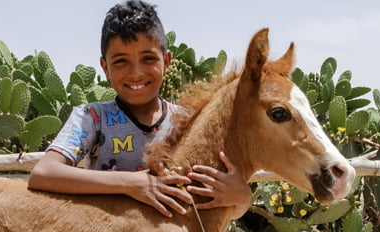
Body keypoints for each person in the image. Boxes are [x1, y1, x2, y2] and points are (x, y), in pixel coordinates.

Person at [27, 0, 250, 219]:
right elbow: (44, 173)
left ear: (167, 61)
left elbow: (218, 205)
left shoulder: (188, 121)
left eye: (148, 58)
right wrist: (131, 183)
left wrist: (241, 198)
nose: (136, 73)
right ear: (104, 67)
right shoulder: (92, 117)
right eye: (121, 61)